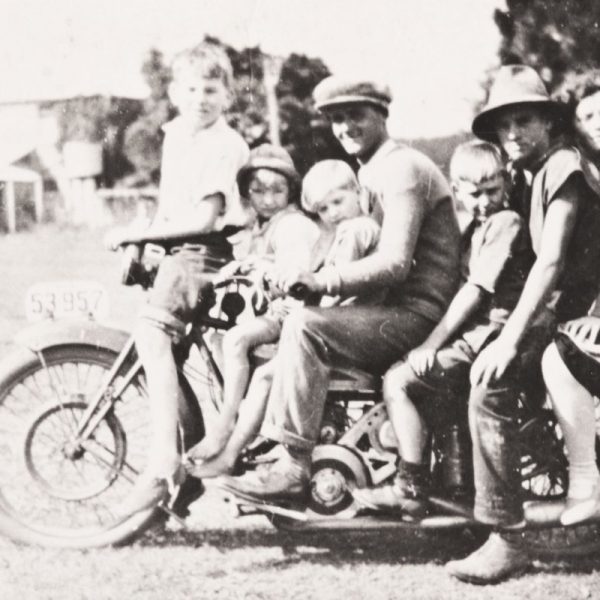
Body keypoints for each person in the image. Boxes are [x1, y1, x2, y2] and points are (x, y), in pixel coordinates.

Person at [217, 76, 461, 508]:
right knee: (287, 340)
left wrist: (321, 283)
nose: (345, 127)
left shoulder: (403, 168)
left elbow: (394, 262)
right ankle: (262, 450)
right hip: (391, 310)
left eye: (356, 115)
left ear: (381, 114)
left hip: (418, 315)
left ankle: (293, 466)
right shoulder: (369, 172)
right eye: (336, 119)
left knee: (306, 326)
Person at [445, 65, 600, 585]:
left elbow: (551, 261)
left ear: (551, 124)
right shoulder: (527, 176)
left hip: (580, 319)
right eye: (504, 125)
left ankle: (505, 536)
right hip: (563, 314)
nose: (512, 134)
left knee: (489, 383)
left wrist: (509, 340)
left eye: (525, 121)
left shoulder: (562, 167)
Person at [353, 140, 532, 517]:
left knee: (399, 381)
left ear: (507, 186)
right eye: (474, 194)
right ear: (457, 191)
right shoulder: (473, 229)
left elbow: (475, 290)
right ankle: (451, 482)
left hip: (488, 335)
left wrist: (431, 343)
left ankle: (411, 484)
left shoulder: (505, 223)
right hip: (474, 334)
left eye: (492, 191)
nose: (484, 201)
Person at [186, 159, 381, 478]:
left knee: (264, 372)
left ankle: (231, 447)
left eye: (337, 202)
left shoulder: (358, 230)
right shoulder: (345, 230)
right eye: (323, 209)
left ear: (357, 194)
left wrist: (299, 294)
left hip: (344, 332)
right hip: (340, 327)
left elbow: (334, 288)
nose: (332, 213)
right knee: (256, 365)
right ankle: (235, 443)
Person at [120, 41, 250, 515]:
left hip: (202, 254)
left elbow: (205, 219)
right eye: (192, 89)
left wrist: (140, 231)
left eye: (211, 89)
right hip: (178, 250)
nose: (201, 98)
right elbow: (170, 204)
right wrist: (149, 241)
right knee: (168, 356)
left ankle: (162, 463)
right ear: (176, 93)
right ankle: (186, 478)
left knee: (151, 336)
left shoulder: (225, 143)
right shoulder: (177, 134)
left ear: (227, 95)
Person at [185, 143, 319, 470]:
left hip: (289, 314)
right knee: (218, 336)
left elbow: (295, 274)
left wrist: (265, 271)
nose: (267, 199)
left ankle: (227, 421)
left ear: (291, 191)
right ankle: (240, 414)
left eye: (277, 191)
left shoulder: (292, 225)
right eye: (258, 191)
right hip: (270, 310)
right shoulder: (260, 224)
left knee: (235, 339)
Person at [542, 70, 600, 526]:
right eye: (588, 114)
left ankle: (585, 482)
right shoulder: (583, 174)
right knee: (558, 353)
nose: (598, 121)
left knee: (558, 360)